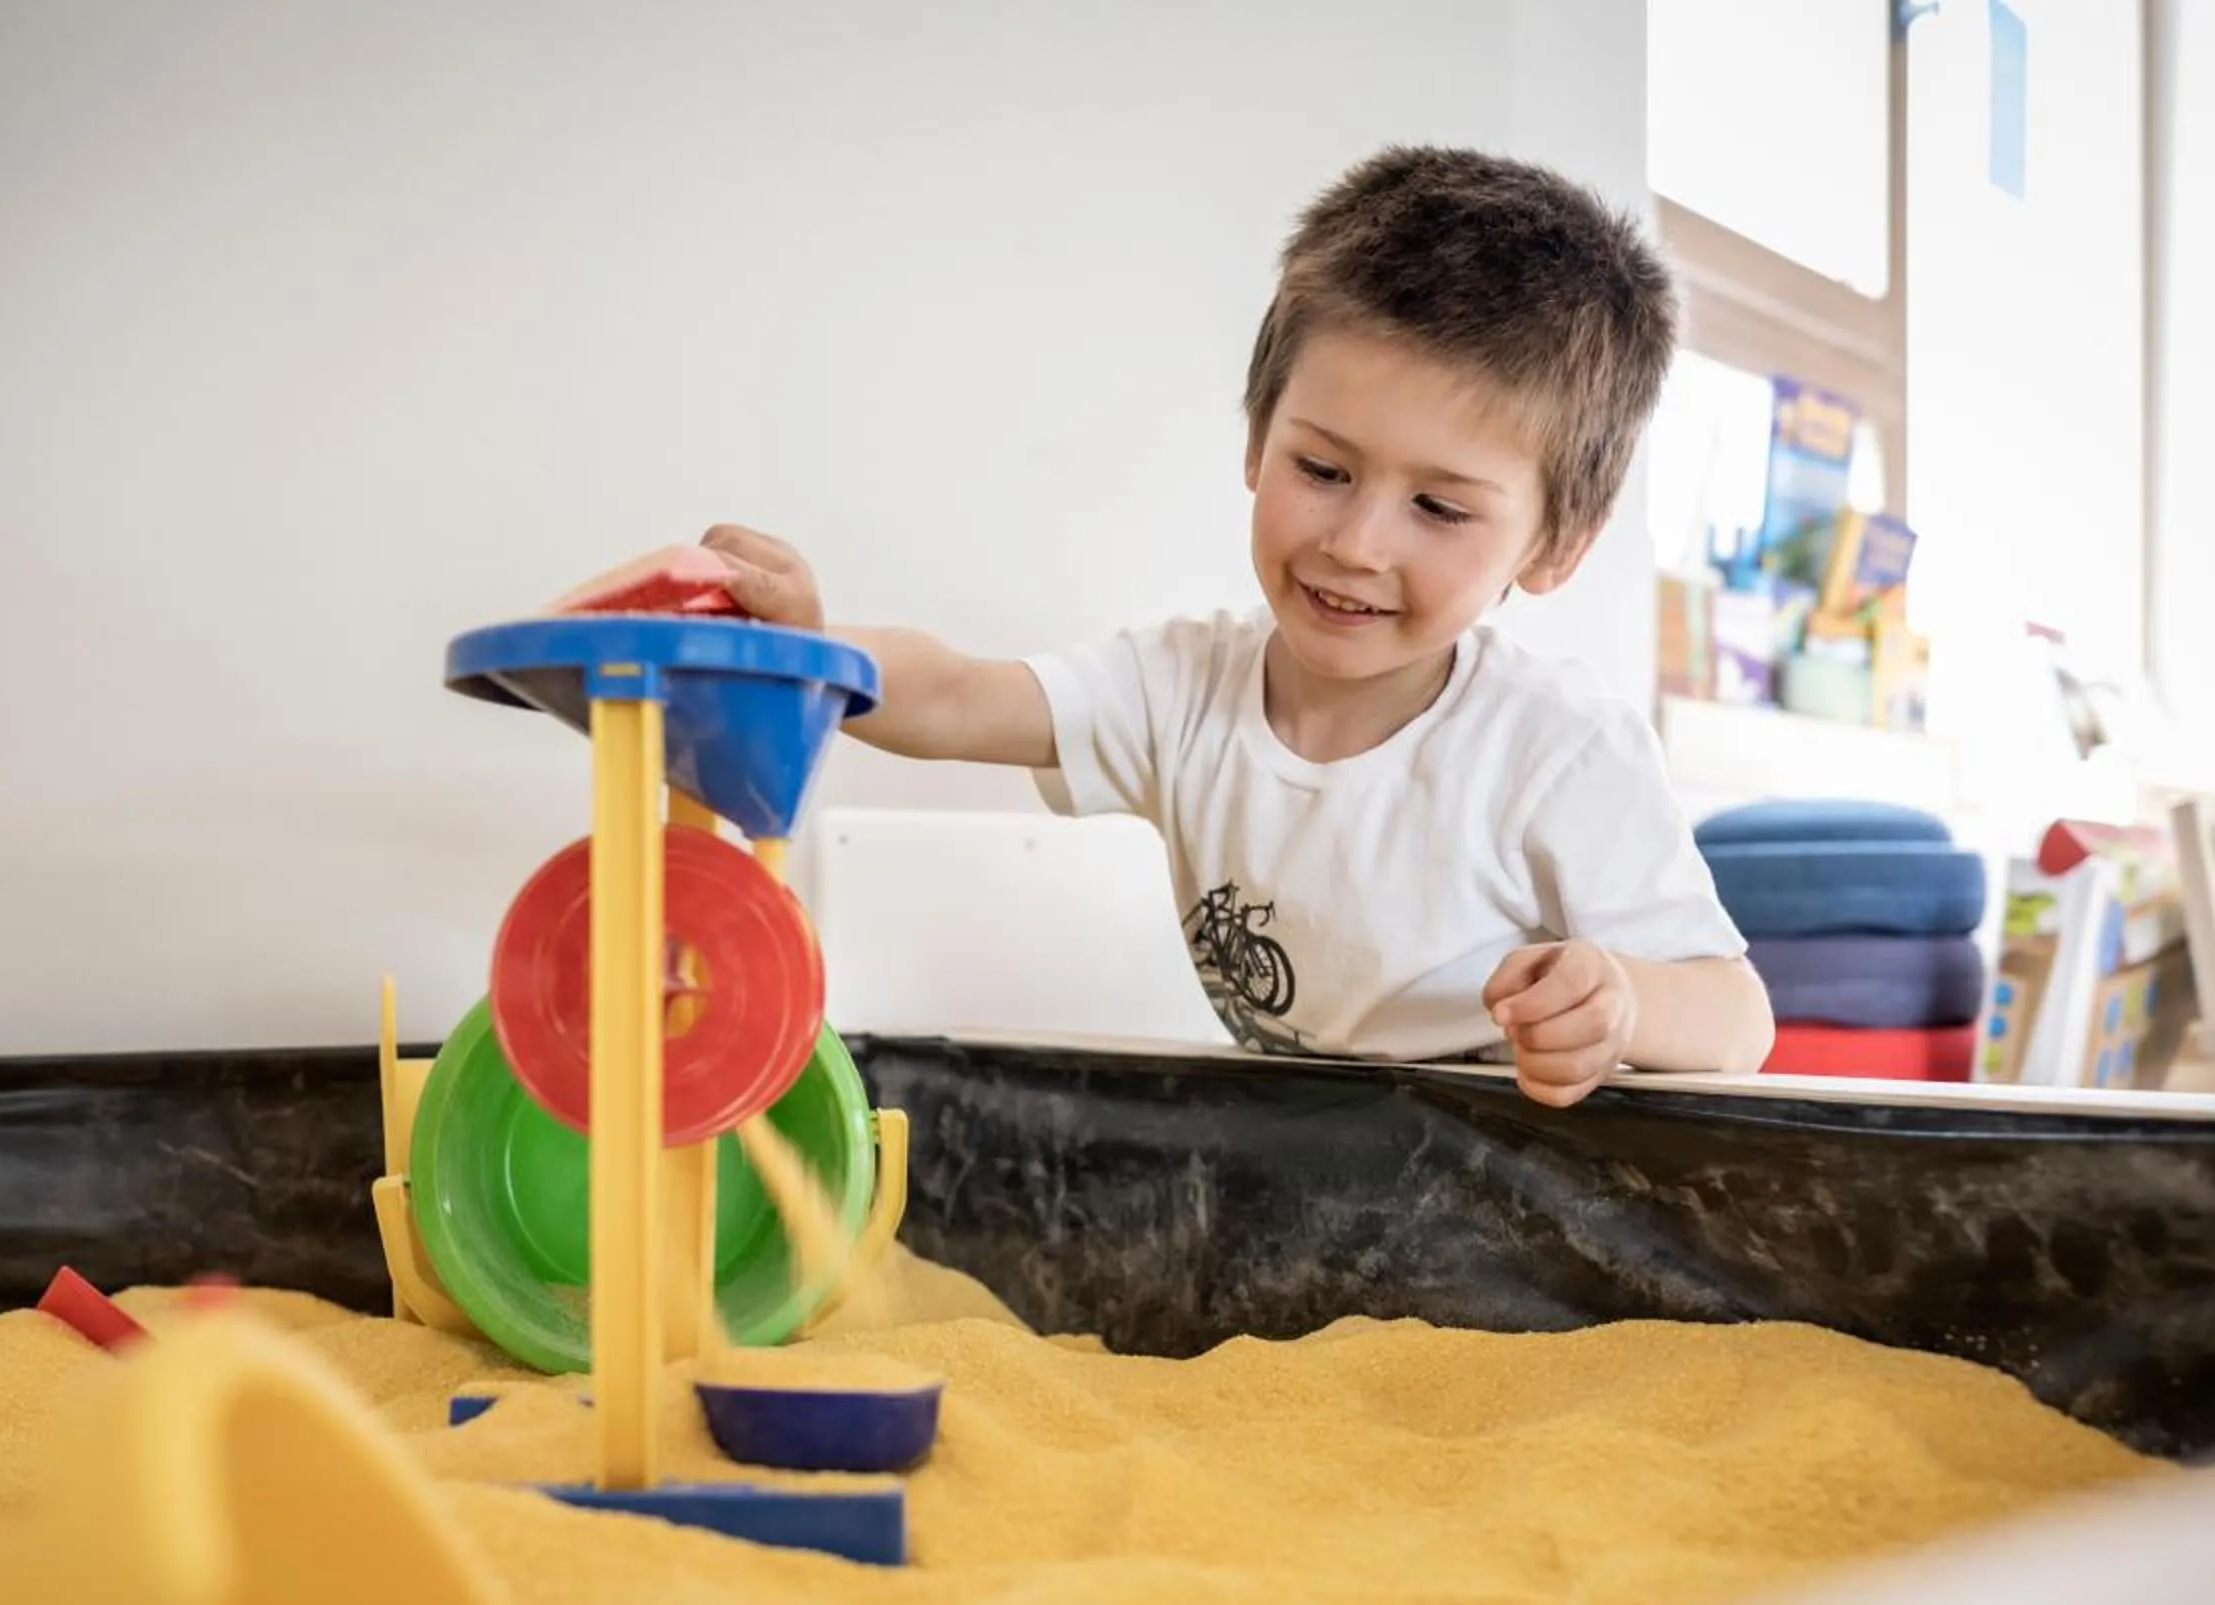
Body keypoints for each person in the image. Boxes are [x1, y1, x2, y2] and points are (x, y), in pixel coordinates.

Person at [702, 145, 1770, 1106]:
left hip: (1508, 1188)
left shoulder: (1557, 752)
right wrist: (809, 650)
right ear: (1258, 440)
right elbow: (958, 694)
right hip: (1293, 1161)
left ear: (1555, 544)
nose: (1357, 543)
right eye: (1323, 469)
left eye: (1439, 508)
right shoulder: (1184, 689)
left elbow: (1736, 1016)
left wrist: (1621, 1000)